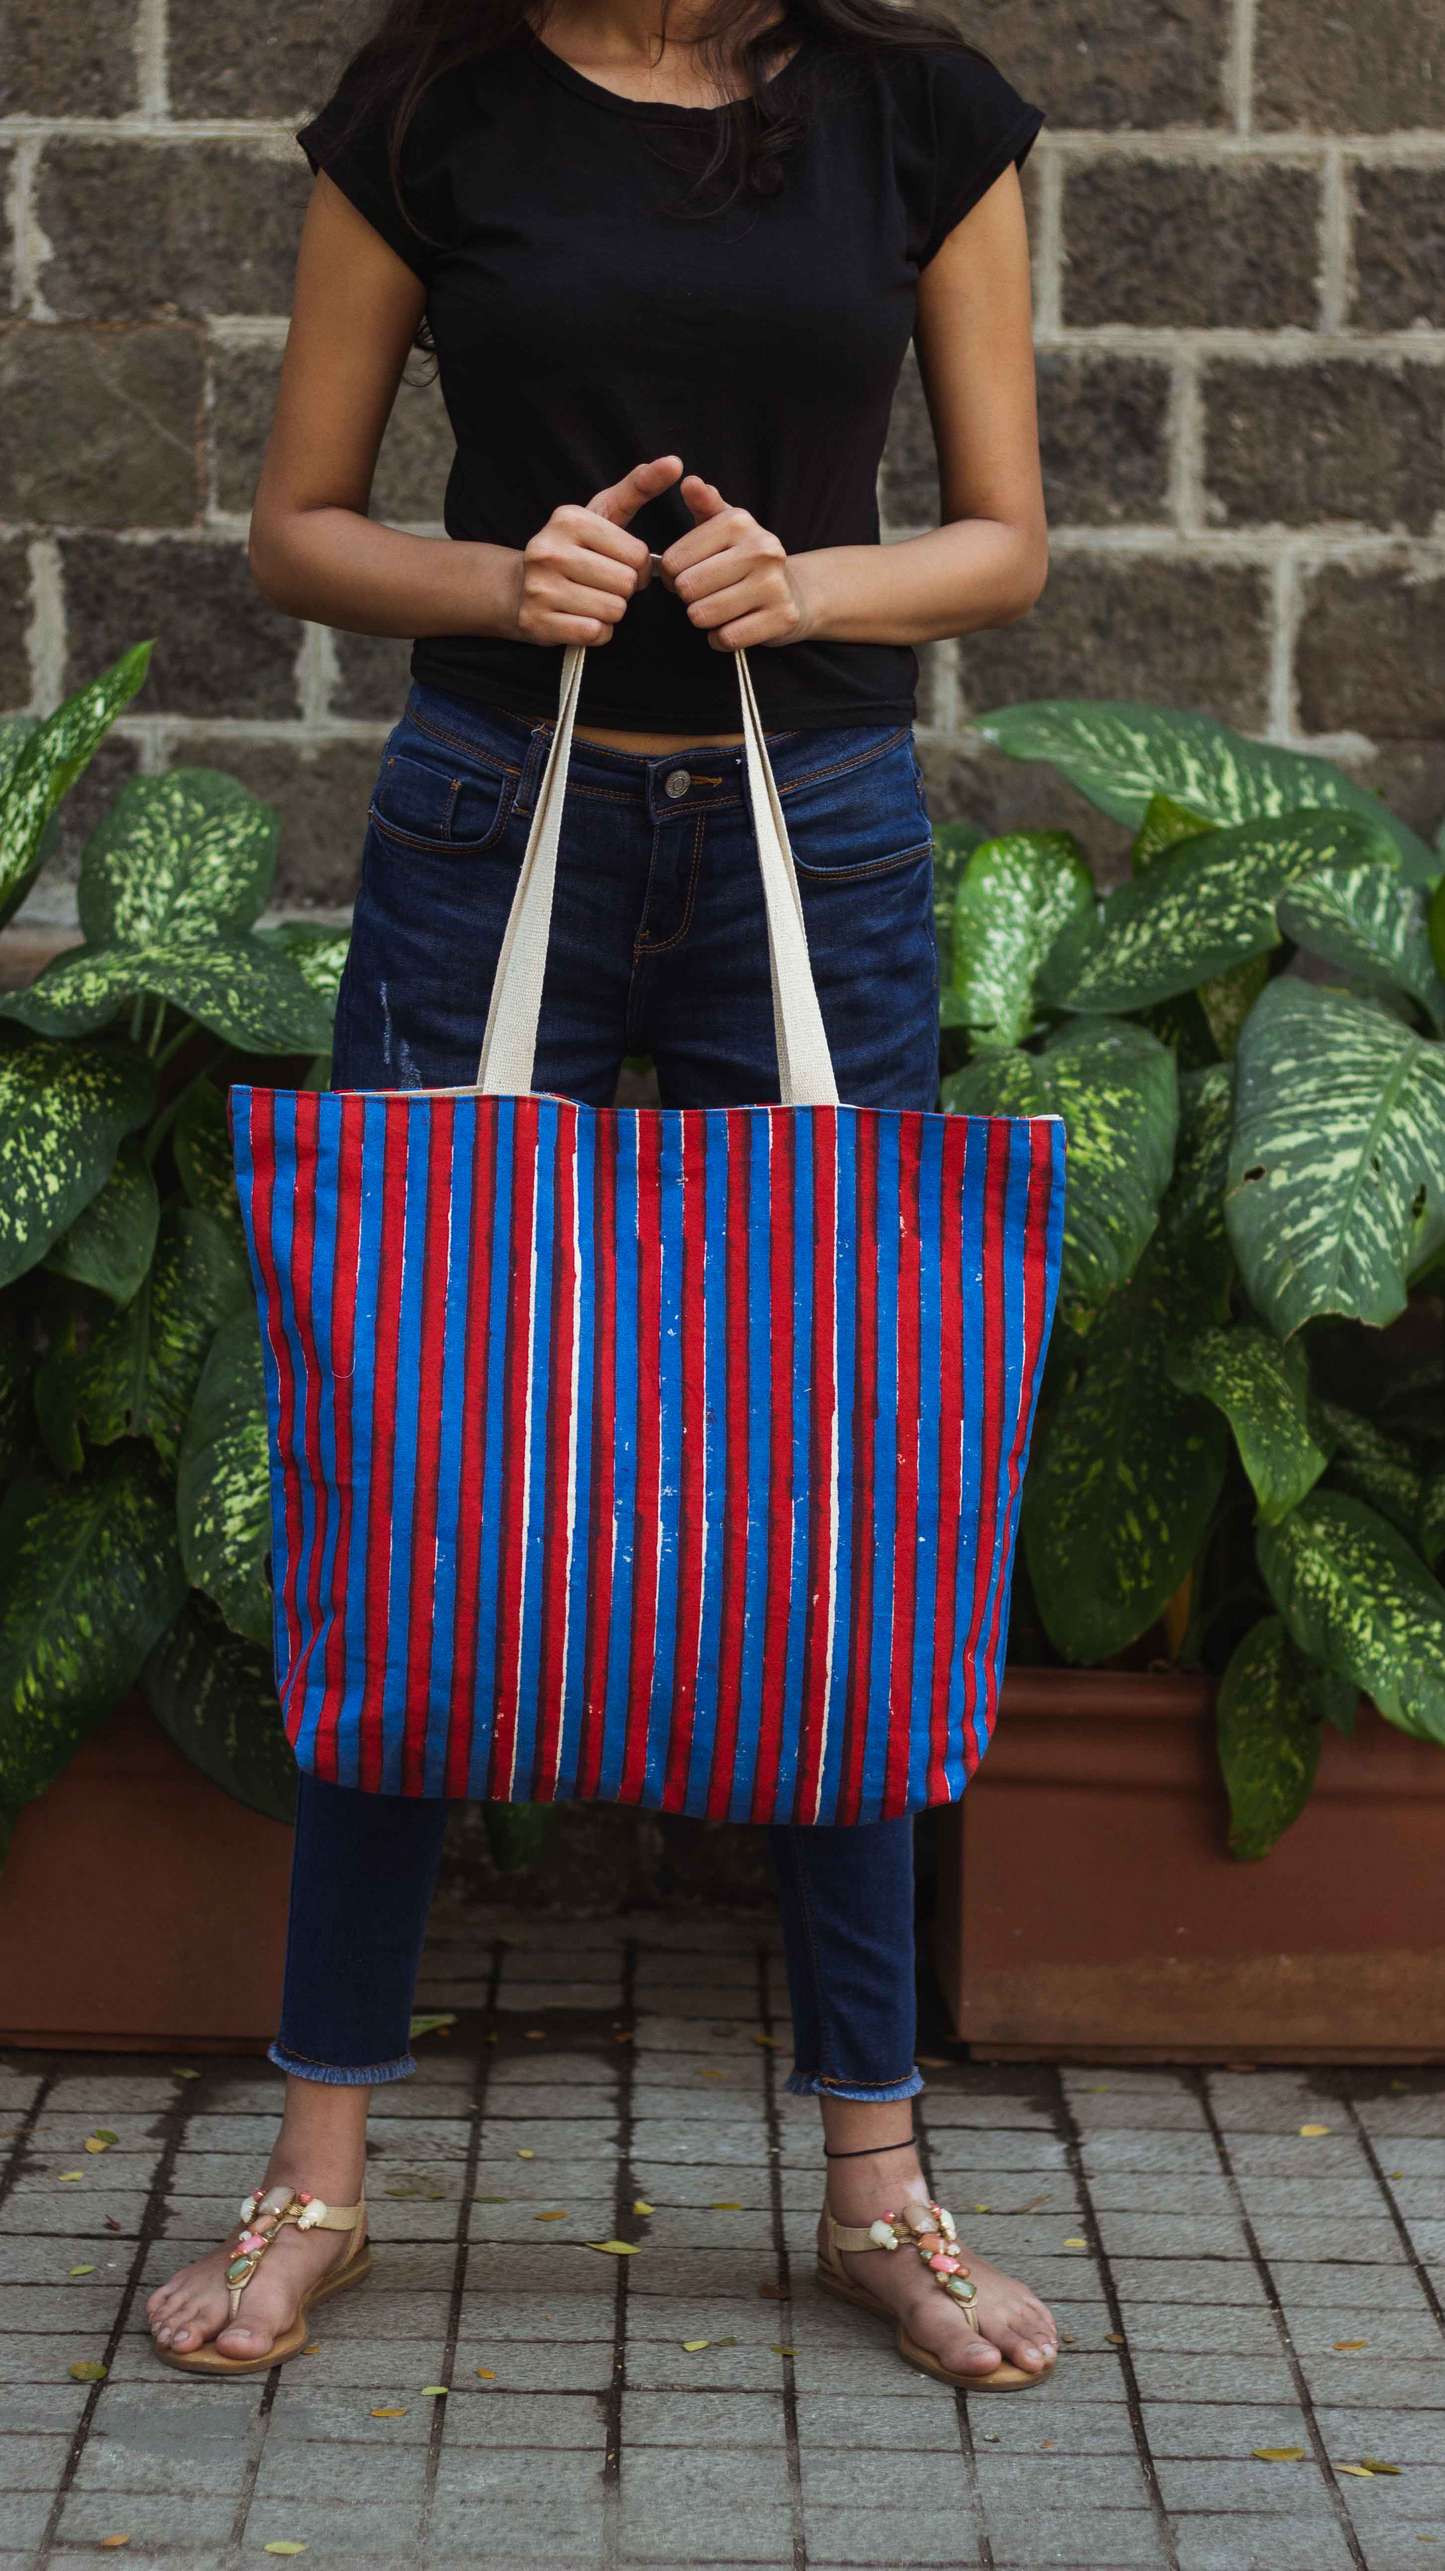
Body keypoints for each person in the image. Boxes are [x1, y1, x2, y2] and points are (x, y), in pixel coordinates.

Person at [147, 0, 1057, 2390]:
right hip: (483, 833)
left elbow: (1005, 535)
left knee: (851, 1497)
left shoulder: (914, 111)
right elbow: (293, 528)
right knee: (405, 1475)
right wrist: (493, 582)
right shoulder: (428, 100)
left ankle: (879, 2183)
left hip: (819, 844)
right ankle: (312, 2179)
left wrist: (814, 591)